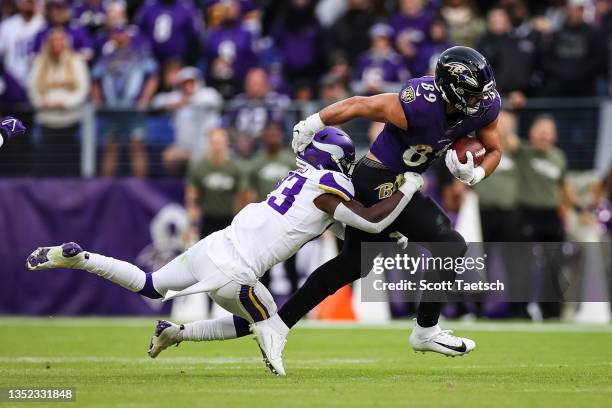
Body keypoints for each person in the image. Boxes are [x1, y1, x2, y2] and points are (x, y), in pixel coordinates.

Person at [27, 127, 425, 376]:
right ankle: (274, 360)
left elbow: (340, 226)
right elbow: (368, 220)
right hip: (236, 271)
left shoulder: (302, 180)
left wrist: (388, 239)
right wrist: (407, 187)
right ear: (340, 162)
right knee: (270, 321)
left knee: (149, 285)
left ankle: (84, 260)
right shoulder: (331, 187)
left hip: (214, 246)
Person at [225, 46, 502, 361]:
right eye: (473, 95)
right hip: (377, 179)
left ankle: (278, 325)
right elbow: (359, 104)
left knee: (352, 264)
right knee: (450, 245)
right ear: (452, 91)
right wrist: (312, 123)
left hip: (405, 181)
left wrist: (476, 172)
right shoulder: (418, 105)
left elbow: (494, 149)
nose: (482, 101)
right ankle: (425, 331)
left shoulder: (485, 105)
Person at [91, 24, 159, 177]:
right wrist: (97, 100)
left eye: (122, 34)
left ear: (128, 36)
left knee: (137, 146)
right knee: (110, 148)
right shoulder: (105, 57)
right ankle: (105, 189)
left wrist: (145, 99)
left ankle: (140, 187)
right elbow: (95, 79)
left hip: (133, 109)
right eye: (116, 34)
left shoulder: (140, 55)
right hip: (112, 110)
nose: (119, 37)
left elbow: (153, 77)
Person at [27, 28, 90, 177]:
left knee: (68, 163)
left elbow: (82, 89)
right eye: (54, 41)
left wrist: (65, 103)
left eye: (61, 40)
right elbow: (31, 88)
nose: (57, 44)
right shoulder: (39, 62)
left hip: (70, 120)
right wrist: (41, 103)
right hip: (46, 120)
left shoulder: (76, 61)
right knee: (46, 164)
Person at [151, 67, 223, 175]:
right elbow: (156, 102)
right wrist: (170, 104)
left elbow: (216, 101)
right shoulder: (177, 97)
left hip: (206, 147)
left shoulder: (207, 93)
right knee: (169, 156)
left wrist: (187, 102)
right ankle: (173, 187)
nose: (188, 86)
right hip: (184, 148)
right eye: (185, 83)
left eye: (191, 82)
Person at [184, 128, 244, 242]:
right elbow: (192, 198)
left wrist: (238, 222)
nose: (217, 147)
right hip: (207, 220)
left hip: (229, 220)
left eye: (220, 143)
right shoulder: (199, 168)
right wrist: (191, 225)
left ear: (227, 144)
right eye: (214, 143)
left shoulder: (235, 168)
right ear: (209, 144)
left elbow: (241, 196)